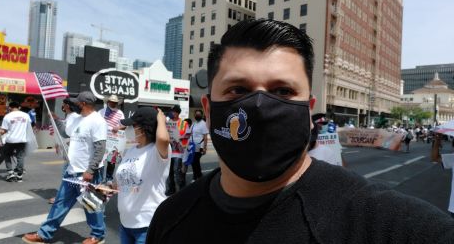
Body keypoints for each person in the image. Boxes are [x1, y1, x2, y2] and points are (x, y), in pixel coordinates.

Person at [146, 19, 454, 244]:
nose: (260, 106)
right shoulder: (170, 217)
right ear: (210, 110)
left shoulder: (381, 222)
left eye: (282, 90)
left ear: (308, 110)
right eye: (238, 89)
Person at [22, 91, 108, 244]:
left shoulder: (97, 121)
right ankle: (44, 234)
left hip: (87, 172)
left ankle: (98, 234)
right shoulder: (77, 119)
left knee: (91, 205)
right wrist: (56, 121)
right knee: (60, 203)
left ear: (83, 104)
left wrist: (90, 170)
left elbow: (100, 148)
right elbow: (65, 132)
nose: (74, 104)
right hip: (72, 170)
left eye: (77, 102)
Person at [105, 107, 170, 244]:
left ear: (145, 128)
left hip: (146, 224)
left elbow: (163, 139)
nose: (129, 129)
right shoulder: (131, 150)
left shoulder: (156, 151)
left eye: (133, 126)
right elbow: (123, 181)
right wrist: (108, 188)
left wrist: (160, 119)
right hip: (125, 223)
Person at [0, 101, 31, 182]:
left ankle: (10, 173)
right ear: (19, 107)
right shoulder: (26, 115)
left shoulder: (8, 116)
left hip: (11, 140)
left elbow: (3, 131)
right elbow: (28, 127)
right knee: (20, 157)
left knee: (6, 155)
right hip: (22, 140)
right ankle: (19, 176)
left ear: (10, 107)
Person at [47, 97, 80, 204]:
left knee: (67, 175)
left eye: (64, 103)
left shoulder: (74, 117)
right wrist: (58, 144)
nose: (62, 105)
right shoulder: (70, 116)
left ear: (68, 106)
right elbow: (63, 132)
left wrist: (56, 118)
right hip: (69, 152)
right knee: (71, 175)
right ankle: (76, 195)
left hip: (72, 152)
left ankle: (61, 198)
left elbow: (68, 133)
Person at [98, 94, 125, 182]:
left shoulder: (120, 113)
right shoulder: (101, 112)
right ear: (108, 102)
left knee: (111, 160)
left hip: (114, 140)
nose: (113, 103)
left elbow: (124, 125)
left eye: (115, 102)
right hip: (102, 138)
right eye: (112, 102)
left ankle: (109, 178)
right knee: (100, 160)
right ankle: (100, 178)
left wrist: (119, 128)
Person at [165, 105, 189, 195]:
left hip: (178, 152)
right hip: (168, 151)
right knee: (169, 172)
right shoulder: (167, 122)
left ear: (178, 113)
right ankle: (171, 189)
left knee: (178, 172)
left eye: (174, 112)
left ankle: (182, 190)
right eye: (172, 112)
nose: (172, 113)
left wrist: (180, 139)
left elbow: (187, 136)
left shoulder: (183, 123)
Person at [189, 109, 209, 181]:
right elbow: (190, 133)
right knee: (193, 162)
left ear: (201, 115)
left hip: (199, 146)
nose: (197, 115)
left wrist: (204, 148)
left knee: (195, 161)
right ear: (194, 115)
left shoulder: (203, 124)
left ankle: (199, 177)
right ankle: (196, 176)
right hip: (192, 146)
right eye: (196, 114)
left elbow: (205, 137)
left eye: (199, 114)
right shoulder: (194, 123)